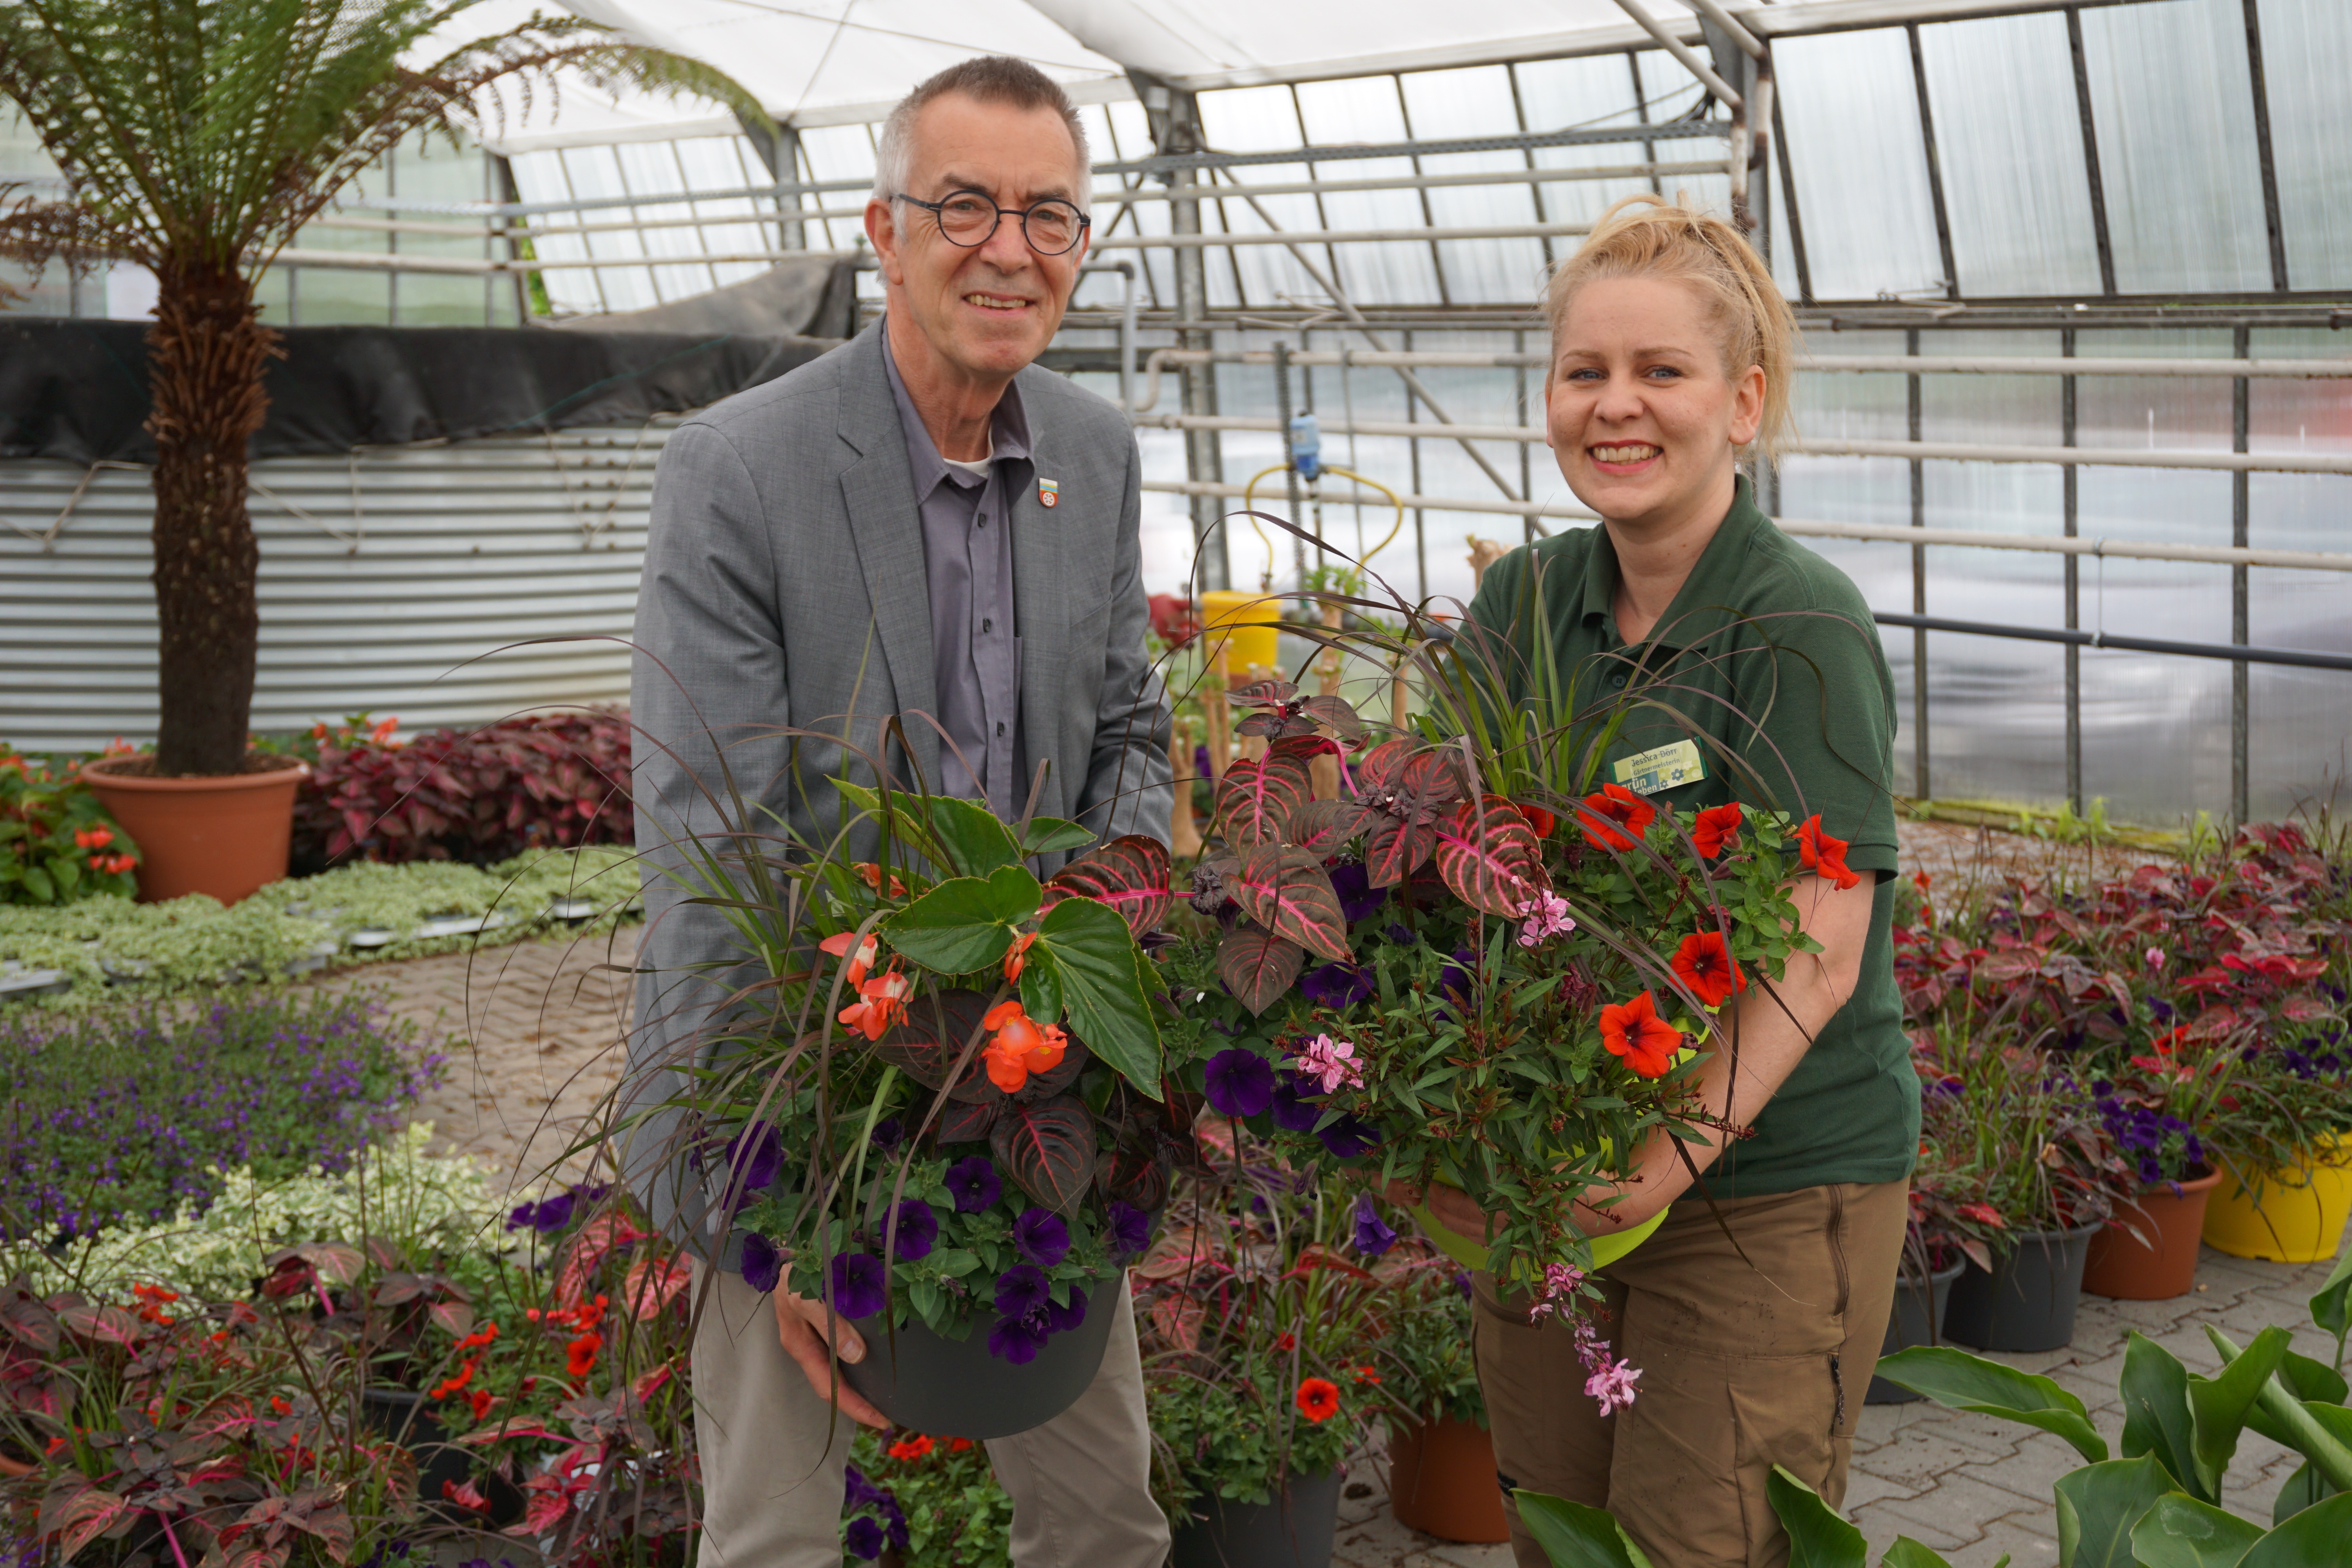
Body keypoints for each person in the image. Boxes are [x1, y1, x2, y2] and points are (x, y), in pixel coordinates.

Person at [624, 56, 1172, 1568]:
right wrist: (790, 1191)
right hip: (801, 1079)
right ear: (883, 230)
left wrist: (1101, 961)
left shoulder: (1094, 449)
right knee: (778, 1527)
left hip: (1036, 1075)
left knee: (1103, 1512)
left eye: (1049, 213)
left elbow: (1129, 727)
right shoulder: (742, 467)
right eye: (965, 205)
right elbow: (714, 842)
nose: (1010, 247)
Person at [1433, 195, 1917, 1567]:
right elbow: (1437, 872)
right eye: (1585, 371)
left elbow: (1825, 926)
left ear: (1743, 402)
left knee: (1705, 1544)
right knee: (1562, 1531)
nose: (1615, 406)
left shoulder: (1799, 622)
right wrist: (1455, 1142)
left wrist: (1665, 1156)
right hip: (1559, 1171)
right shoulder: (1522, 603)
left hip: (1760, 1179)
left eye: (1662, 371)